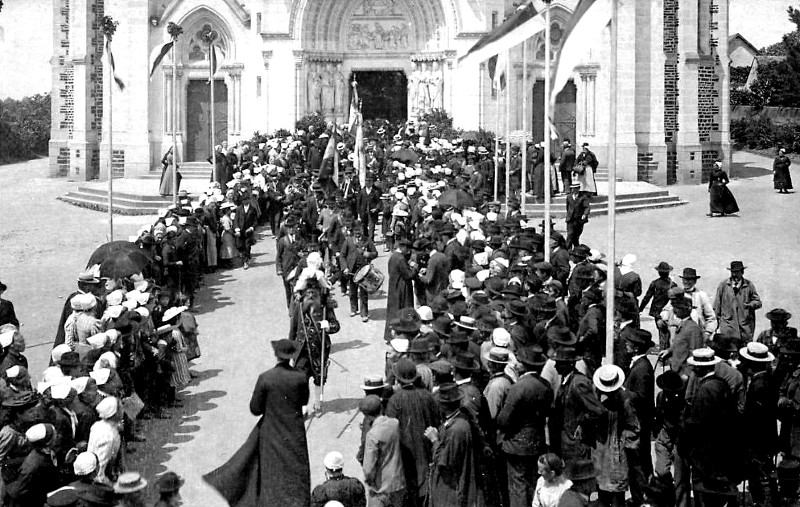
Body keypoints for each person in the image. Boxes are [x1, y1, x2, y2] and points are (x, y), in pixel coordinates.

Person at [203, 339, 310, 507]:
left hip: (272, 430)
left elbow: (255, 409)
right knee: (295, 470)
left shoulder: (266, 378)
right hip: (294, 430)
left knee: (270, 470)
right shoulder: (301, 377)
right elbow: (304, 400)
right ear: (291, 357)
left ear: (276, 356)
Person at [683, 347, 742, 506]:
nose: (694, 369)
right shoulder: (721, 384)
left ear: (700, 368)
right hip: (720, 449)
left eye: (695, 366)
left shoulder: (705, 390)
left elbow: (697, 423)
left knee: (704, 492)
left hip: (705, 453)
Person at [496, 345, 553, 507]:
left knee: (518, 485)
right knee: (532, 482)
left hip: (516, 444)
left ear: (523, 365)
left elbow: (503, 419)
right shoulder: (545, 385)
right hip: (537, 441)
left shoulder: (519, 387)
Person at [424, 382, 492, 507]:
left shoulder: (456, 429)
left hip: (452, 492)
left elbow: (445, 461)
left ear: (442, 405)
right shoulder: (459, 419)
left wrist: (434, 440)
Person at [385, 358, 440, 507]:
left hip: (405, 458)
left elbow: (390, 432)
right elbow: (436, 423)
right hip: (426, 453)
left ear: (398, 379)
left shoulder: (395, 400)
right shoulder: (427, 396)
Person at [591, 364, 639, 507]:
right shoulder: (598, 398)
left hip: (617, 454)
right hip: (601, 454)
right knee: (602, 495)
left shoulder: (626, 400)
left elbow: (634, 428)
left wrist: (623, 444)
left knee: (617, 496)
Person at [739, 342, 779, 507]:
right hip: (767, 438)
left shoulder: (758, 386)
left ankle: (763, 503)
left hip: (758, 441)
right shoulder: (767, 379)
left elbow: (755, 418)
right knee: (765, 474)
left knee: (760, 476)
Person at [621, 327, 654, 507]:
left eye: (629, 343)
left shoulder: (641, 368)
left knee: (639, 464)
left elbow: (640, 397)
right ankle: (638, 497)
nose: (625, 344)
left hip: (639, 424)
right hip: (638, 422)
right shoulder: (638, 364)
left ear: (635, 347)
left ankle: (642, 499)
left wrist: (623, 392)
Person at [361, 395, 405, 507]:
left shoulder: (372, 435)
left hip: (380, 488)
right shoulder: (395, 423)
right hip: (398, 483)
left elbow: (369, 467)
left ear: (366, 416)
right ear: (381, 408)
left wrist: (369, 482)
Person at [6, 423, 60, 507]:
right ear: (48, 441)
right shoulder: (34, 464)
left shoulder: (46, 453)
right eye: (54, 435)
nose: (57, 436)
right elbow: (17, 491)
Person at [713, 260, 762, 345]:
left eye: (737, 272)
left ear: (742, 272)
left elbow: (758, 302)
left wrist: (750, 305)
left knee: (744, 351)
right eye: (733, 272)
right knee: (728, 350)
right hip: (728, 327)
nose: (735, 275)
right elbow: (717, 305)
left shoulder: (749, 285)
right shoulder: (723, 285)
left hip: (745, 327)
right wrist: (715, 324)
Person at [384, 239, 417, 342]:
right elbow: (408, 275)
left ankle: (389, 335)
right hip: (402, 289)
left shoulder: (393, 257)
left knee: (392, 311)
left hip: (393, 287)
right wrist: (414, 268)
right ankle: (403, 334)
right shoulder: (400, 259)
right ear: (404, 248)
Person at [234, 197, 259, 269]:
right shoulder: (239, 209)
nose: (245, 201)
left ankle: (245, 261)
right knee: (240, 246)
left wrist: (251, 228)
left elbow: (255, 221)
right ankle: (246, 257)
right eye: (243, 200)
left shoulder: (253, 209)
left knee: (247, 246)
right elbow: (236, 220)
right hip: (240, 231)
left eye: (246, 199)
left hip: (248, 231)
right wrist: (237, 229)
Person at [565, 184, 590, 250]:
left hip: (578, 220)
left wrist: (584, 214)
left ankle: (576, 249)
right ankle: (567, 250)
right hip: (570, 219)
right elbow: (568, 207)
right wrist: (569, 215)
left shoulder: (583, 197)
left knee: (576, 236)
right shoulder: (569, 196)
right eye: (572, 188)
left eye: (575, 188)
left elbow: (587, 207)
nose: (573, 190)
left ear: (578, 188)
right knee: (570, 234)